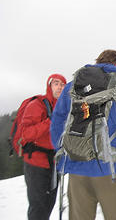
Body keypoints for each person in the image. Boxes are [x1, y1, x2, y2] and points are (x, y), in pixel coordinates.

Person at [50, 50, 116, 220]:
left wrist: (64, 150)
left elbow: (57, 121)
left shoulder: (72, 85)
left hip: (77, 168)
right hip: (112, 170)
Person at [21, 74, 66, 220]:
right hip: (36, 163)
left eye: (62, 84)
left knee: (48, 204)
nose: (59, 87)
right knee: (38, 207)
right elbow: (26, 133)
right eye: (56, 84)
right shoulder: (36, 105)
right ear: (49, 86)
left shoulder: (64, 108)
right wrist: (50, 121)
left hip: (54, 163)